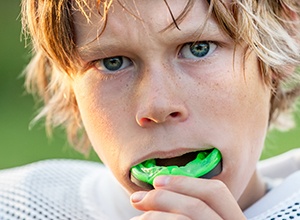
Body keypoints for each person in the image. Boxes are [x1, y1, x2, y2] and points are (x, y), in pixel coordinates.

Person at [1, 0, 300, 219]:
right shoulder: (18, 206)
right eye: (113, 62)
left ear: (286, 38)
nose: (157, 106)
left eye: (199, 48)